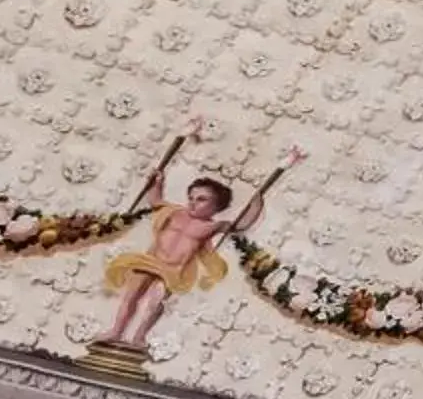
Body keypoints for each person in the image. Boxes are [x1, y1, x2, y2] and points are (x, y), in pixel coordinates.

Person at [99, 135, 305, 349]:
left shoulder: (211, 226)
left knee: (155, 301)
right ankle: (116, 330)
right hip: (150, 260)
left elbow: (240, 224)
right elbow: (155, 200)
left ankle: (139, 336)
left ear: (217, 207)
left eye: (201, 199)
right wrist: (157, 181)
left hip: (173, 270)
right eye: (191, 197)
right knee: (131, 296)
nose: (193, 203)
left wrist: (256, 204)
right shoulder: (175, 212)